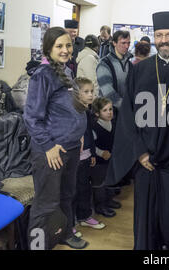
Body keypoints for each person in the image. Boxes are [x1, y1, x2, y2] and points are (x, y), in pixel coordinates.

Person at [108, 11, 169, 250]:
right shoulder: (140, 69)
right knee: (145, 216)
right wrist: (139, 151)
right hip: (145, 158)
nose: (164, 39)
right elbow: (127, 114)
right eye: (159, 35)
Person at [24, 27, 88, 249]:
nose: (65, 50)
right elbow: (32, 117)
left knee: (67, 195)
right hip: (50, 151)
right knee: (46, 204)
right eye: (59, 46)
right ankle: (38, 246)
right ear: (48, 48)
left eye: (68, 45)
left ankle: (65, 233)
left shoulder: (66, 71)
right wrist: (49, 146)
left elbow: (67, 109)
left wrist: (77, 135)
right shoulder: (42, 76)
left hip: (69, 148)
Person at [72, 77, 106, 231]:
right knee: (72, 191)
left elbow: (89, 135)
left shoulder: (87, 111)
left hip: (85, 157)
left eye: (92, 91)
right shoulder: (72, 111)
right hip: (73, 159)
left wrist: (92, 153)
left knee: (85, 188)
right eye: (86, 92)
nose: (91, 95)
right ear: (76, 93)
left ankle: (84, 216)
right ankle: (70, 223)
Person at [91, 97, 120, 218]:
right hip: (99, 161)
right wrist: (101, 152)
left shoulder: (112, 123)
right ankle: (100, 206)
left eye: (111, 109)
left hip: (110, 159)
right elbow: (92, 144)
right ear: (97, 113)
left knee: (109, 179)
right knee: (99, 184)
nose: (109, 112)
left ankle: (109, 200)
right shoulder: (94, 127)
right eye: (105, 110)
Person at [96, 30, 133, 109]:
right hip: (107, 113)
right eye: (123, 43)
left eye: (128, 43)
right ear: (114, 43)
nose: (127, 46)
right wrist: (127, 107)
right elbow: (108, 93)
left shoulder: (130, 65)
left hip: (124, 112)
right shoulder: (104, 64)